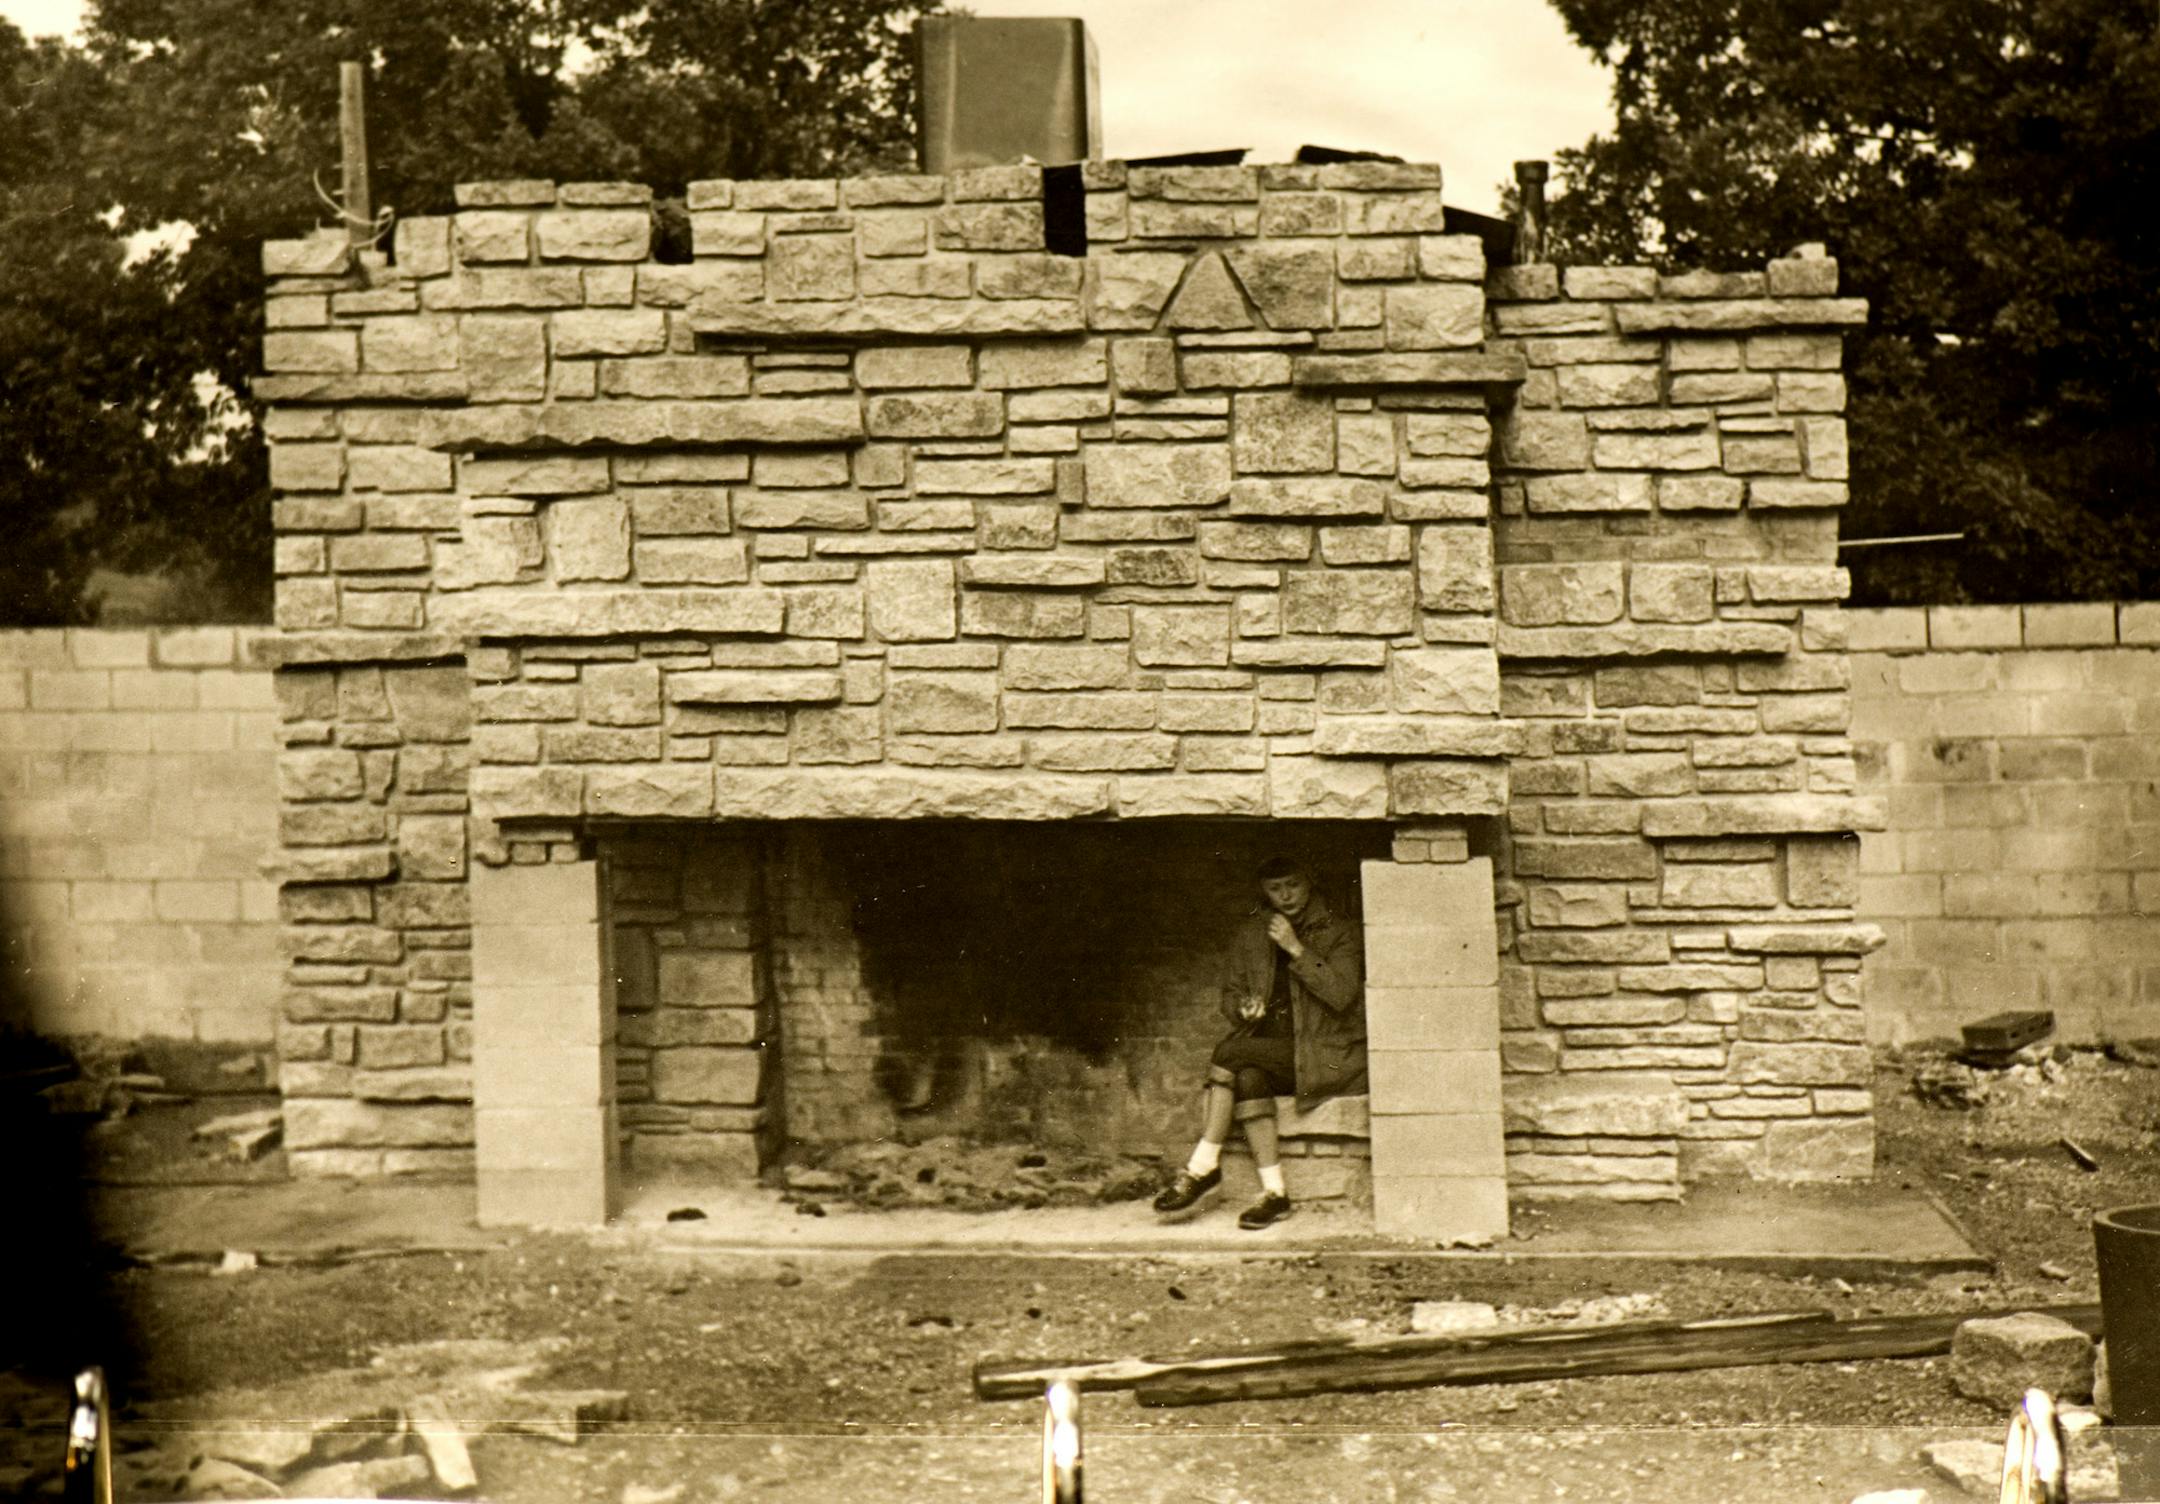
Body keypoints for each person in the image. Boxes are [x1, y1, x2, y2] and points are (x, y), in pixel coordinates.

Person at [1153, 855, 1367, 1230]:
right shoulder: (1251, 934)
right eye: (1275, 888)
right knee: (1248, 1075)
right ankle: (1275, 1193)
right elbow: (1231, 994)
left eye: (1293, 885)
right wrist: (1242, 1008)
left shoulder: (1339, 931)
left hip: (1327, 1055)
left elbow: (1342, 994)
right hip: (1275, 1056)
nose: (1285, 896)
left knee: (1228, 1053)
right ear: (1263, 891)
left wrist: (1295, 948)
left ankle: (1202, 1167)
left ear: (1309, 882)